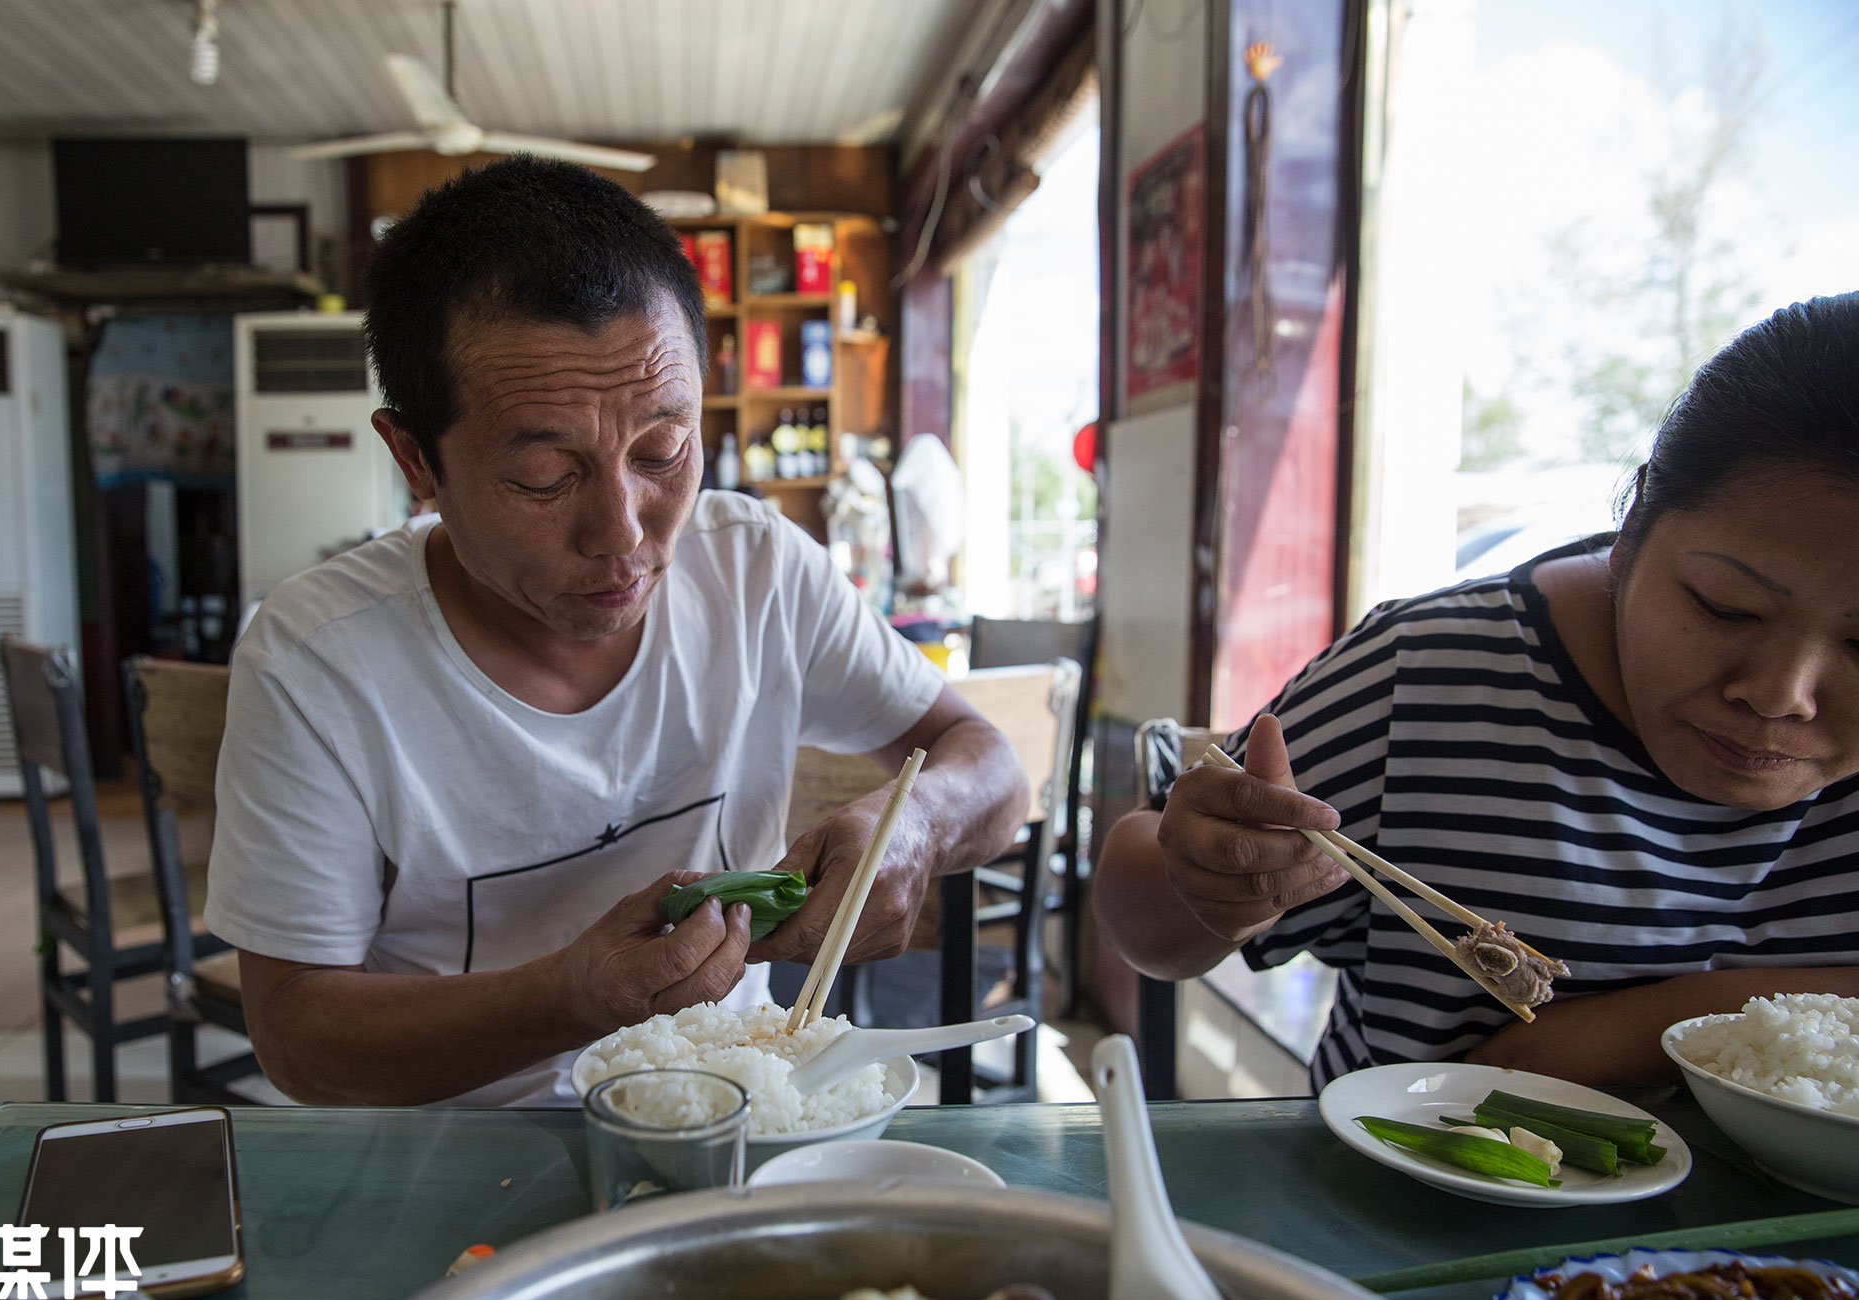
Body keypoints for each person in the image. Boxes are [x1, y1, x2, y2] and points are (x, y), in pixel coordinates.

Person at [205, 158, 1027, 1107]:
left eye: (662, 452)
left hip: (734, 1114)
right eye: (545, 476)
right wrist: (568, 997)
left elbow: (991, 765)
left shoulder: (754, 568)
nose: (624, 534)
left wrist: (914, 826)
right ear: (415, 462)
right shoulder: (318, 659)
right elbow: (298, 1037)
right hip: (460, 1155)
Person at [1094, 292, 1859, 1089]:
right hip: (1401, 1207)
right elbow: (1140, 912)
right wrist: (1211, 881)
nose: (1780, 694)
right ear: (1631, 528)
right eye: (1723, 605)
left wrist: (1643, 1026)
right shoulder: (1432, 678)